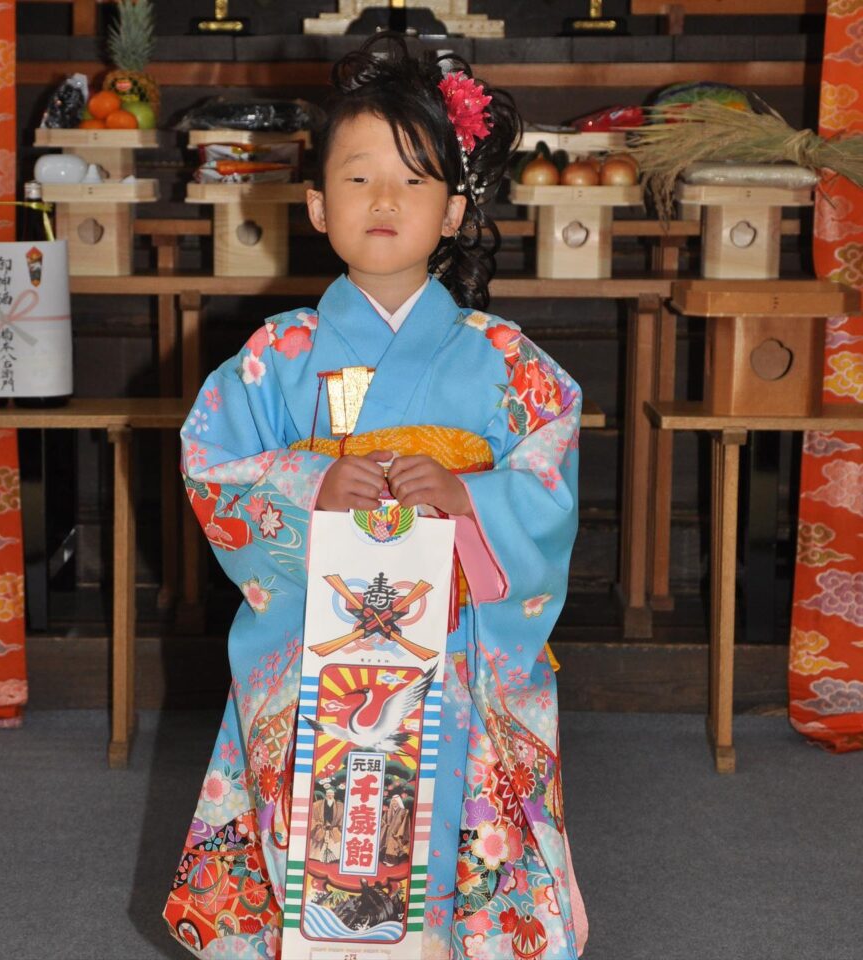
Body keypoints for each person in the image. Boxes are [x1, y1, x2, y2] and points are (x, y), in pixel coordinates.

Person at [163, 33, 588, 960]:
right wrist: (307, 482)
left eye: (414, 179)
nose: (385, 199)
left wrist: (473, 498)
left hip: (455, 657)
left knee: (435, 826)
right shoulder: (276, 356)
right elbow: (210, 460)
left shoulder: (508, 363)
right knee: (320, 838)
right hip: (320, 651)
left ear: (454, 211)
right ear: (316, 205)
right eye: (357, 179)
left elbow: (548, 479)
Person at [308, 785, 344, 863]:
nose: (330, 795)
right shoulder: (317, 805)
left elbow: (342, 820)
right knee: (315, 856)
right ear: (325, 794)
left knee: (336, 854)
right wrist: (318, 825)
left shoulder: (340, 806)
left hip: (334, 831)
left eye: (331, 794)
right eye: (328, 794)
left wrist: (338, 828)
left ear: (334, 794)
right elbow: (312, 819)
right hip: (320, 830)